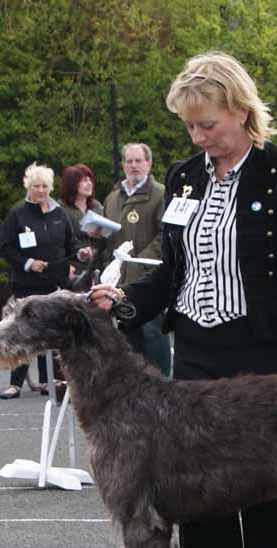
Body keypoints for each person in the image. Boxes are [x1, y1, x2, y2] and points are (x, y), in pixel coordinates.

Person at [90, 51, 277, 548]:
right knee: (198, 504)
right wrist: (121, 306)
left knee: (274, 501)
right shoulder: (186, 178)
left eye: (207, 125)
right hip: (195, 357)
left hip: (265, 360)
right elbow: (172, 272)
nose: (198, 138)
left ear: (241, 111)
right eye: (190, 127)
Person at [0, 162, 78, 399]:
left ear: (50, 188)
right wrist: (28, 263)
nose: (41, 191)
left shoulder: (59, 213)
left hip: (54, 285)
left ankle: (49, 381)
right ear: (28, 187)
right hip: (27, 284)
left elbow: (71, 246)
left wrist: (79, 257)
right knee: (22, 331)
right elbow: (5, 248)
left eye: (44, 186)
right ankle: (15, 383)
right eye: (36, 186)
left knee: (51, 331)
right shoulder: (17, 214)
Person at [103, 143, 171, 376]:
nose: (133, 166)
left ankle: (164, 386)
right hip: (118, 281)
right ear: (123, 165)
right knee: (126, 333)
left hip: (149, 277)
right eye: (129, 161)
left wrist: (139, 262)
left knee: (153, 334)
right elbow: (110, 239)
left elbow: (166, 234)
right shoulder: (112, 198)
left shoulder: (162, 194)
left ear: (149, 164)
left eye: (138, 161)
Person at [58, 163, 104, 277]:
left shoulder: (96, 206)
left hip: (97, 268)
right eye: (84, 180)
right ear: (72, 184)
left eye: (90, 180)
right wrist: (65, 266)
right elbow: (56, 243)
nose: (89, 184)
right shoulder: (60, 208)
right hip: (72, 270)